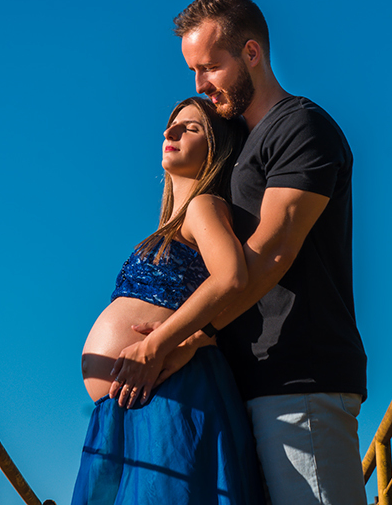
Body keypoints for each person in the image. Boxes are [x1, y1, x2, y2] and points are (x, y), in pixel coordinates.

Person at [144, 0, 369, 505]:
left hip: (299, 380)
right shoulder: (241, 148)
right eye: (193, 71)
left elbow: (272, 253)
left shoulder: (300, 126)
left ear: (251, 53)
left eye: (210, 67)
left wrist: (178, 339)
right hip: (247, 385)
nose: (200, 84)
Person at [72, 96, 265, 505]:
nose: (170, 131)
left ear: (215, 149)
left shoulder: (203, 205)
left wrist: (159, 344)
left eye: (190, 128)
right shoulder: (171, 225)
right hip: (133, 402)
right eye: (172, 124)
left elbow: (232, 277)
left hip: (172, 391)